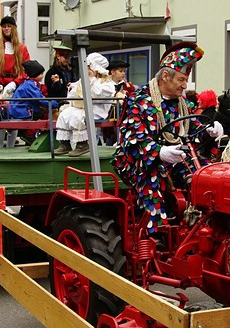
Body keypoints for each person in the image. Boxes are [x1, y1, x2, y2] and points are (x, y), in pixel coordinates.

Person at [114, 43, 204, 232]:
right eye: (181, 79)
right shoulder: (138, 101)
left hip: (174, 157)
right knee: (152, 182)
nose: (185, 85)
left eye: (186, 79)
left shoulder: (183, 103)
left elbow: (192, 128)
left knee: (201, 175)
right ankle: (156, 237)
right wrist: (160, 152)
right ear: (165, 76)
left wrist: (210, 130)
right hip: (139, 162)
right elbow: (133, 142)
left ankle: (199, 228)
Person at [55, 53, 115, 156]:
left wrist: (91, 81)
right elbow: (73, 95)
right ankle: (65, 143)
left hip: (97, 109)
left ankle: (82, 144)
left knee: (77, 116)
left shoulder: (106, 84)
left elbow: (97, 96)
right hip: (81, 106)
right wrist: (75, 87)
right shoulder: (84, 80)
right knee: (65, 114)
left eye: (89, 67)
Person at [0, 16, 31, 93]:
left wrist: (15, 83)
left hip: (16, 88)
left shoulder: (22, 48)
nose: (6, 28)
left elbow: (26, 70)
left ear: (14, 28)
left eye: (9, 26)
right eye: (4, 26)